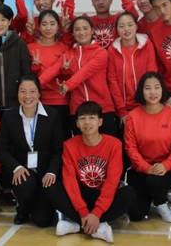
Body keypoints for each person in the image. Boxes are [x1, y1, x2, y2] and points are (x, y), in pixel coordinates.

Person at [46, 101, 135, 243]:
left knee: (128, 193)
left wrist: (97, 213)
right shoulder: (69, 145)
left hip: (103, 195)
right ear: (77, 123)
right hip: (81, 196)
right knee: (51, 187)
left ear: (100, 122)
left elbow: (112, 181)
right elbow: (70, 181)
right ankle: (96, 226)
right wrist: (83, 212)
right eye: (82, 118)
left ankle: (78, 225)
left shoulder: (114, 144)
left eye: (92, 118)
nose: (87, 122)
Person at [0, 75, 64, 226]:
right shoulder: (9, 116)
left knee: (43, 221)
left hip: (45, 173)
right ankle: (23, 209)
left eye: (32, 91)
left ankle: (41, 206)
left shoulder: (52, 115)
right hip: (23, 171)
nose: (27, 96)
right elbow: (1, 150)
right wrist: (16, 167)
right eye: (23, 91)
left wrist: (52, 172)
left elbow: (59, 150)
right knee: (24, 183)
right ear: (17, 94)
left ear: (39, 93)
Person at [124, 72, 171, 222]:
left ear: (162, 90)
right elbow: (130, 148)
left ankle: (161, 202)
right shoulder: (133, 116)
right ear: (141, 91)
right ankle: (151, 196)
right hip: (141, 170)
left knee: (155, 181)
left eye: (157, 88)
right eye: (148, 88)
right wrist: (146, 168)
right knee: (136, 214)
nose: (153, 92)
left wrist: (166, 165)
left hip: (165, 169)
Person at [39, 16, 116, 136]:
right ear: (73, 33)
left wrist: (67, 86)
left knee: (107, 145)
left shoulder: (101, 53)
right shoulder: (69, 54)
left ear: (92, 31)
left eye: (85, 28)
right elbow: (52, 70)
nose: (81, 32)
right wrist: (34, 86)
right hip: (78, 110)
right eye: (77, 29)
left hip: (103, 108)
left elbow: (84, 73)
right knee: (79, 145)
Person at [107, 12, 157, 122]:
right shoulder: (112, 50)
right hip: (124, 108)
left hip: (146, 104)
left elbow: (152, 75)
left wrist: (148, 104)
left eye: (130, 25)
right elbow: (112, 81)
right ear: (117, 29)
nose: (126, 29)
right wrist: (122, 110)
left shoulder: (147, 45)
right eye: (121, 26)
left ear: (136, 26)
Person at [27, 10, 70, 135]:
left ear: (58, 26)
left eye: (52, 23)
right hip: (38, 100)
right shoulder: (30, 48)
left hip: (60, 100)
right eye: (44, 24)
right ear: (39, 27)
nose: (48, 28)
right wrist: (35, 67)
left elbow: (68, 77)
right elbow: (27, 77)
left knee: (61, 136)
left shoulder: (64, 48)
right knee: (41, 137)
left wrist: (66, 70)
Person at [65, 0, 138, 49]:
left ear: (111, 0)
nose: (100, 2)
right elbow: (66, 17)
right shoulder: (86, 21)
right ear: (92, 2)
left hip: (115, 55)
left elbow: (133, 16)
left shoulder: (118, 19)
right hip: (92, 56)